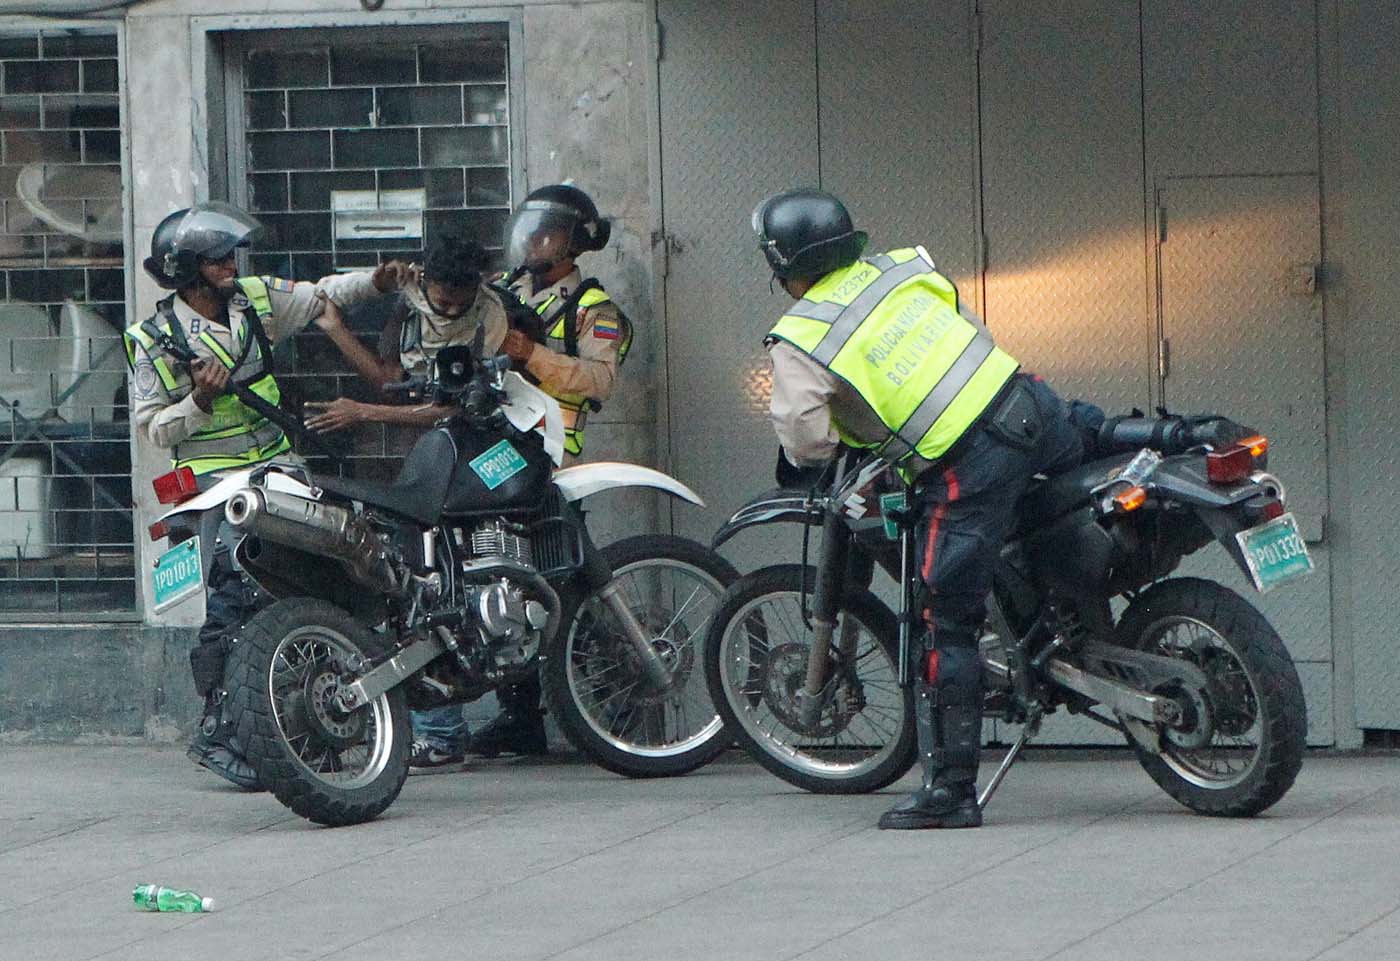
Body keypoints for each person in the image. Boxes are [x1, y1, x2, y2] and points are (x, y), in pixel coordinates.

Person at [752, 188, 1083, 829]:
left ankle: (951, 792)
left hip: (967, 465)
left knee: (942, 619)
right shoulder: (905, 267)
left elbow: (806, 437)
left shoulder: (801, 335)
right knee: (1088, 457)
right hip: (1030, 406)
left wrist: (851, 433)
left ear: (783, 265)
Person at [125, 202, 407, 790]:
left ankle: (312, 717)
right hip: (212, 480)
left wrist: (376, 280)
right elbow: (153, 429)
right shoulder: (151, 339)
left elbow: (320, 293)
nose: (231, 264)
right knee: (236, 590)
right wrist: (198, 402)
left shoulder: (254, 297)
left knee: (330, 567)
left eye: (230, 255)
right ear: (188, 269)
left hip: (279, 467)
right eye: (217, 258)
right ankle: (221, 730)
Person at [306, 236, 510, 772]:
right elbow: (391, 380)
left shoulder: (495, 318)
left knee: (452, 578)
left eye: (454, 302)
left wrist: (364, 414)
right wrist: (336, 330)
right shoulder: (408, 309)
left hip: (477, 459)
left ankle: (466, 727)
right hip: (421, 459)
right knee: (419, 578)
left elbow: (454, 409)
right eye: (437, 299)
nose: (444, 309)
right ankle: (438, 728)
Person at [461, 184, 634, 758]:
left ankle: (619, 706)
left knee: (565, 585)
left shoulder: (592, 308)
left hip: (554, 459)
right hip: (494, 456)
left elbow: (598, 381)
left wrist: (528, 352)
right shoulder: (502, 292)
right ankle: (519, 716)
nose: (532, 242)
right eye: (529, 230)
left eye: (546, 233)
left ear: (574, 241)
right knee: (499, 579)